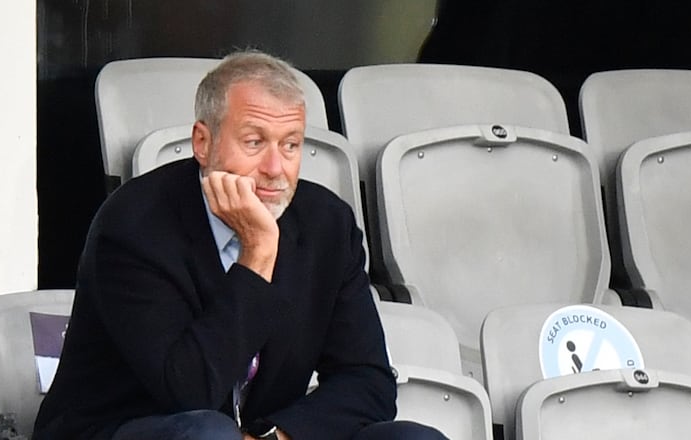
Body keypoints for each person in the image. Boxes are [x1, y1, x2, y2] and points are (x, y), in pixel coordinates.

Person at [33, 50, 447, 440]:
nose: (275, 169)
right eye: (254, 142)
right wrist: (258, 253)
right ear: (203, 143)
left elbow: (369, 382)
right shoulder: (134, 226)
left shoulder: (327, 225)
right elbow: (188, 392)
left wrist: (275, 435)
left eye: (290, 145)